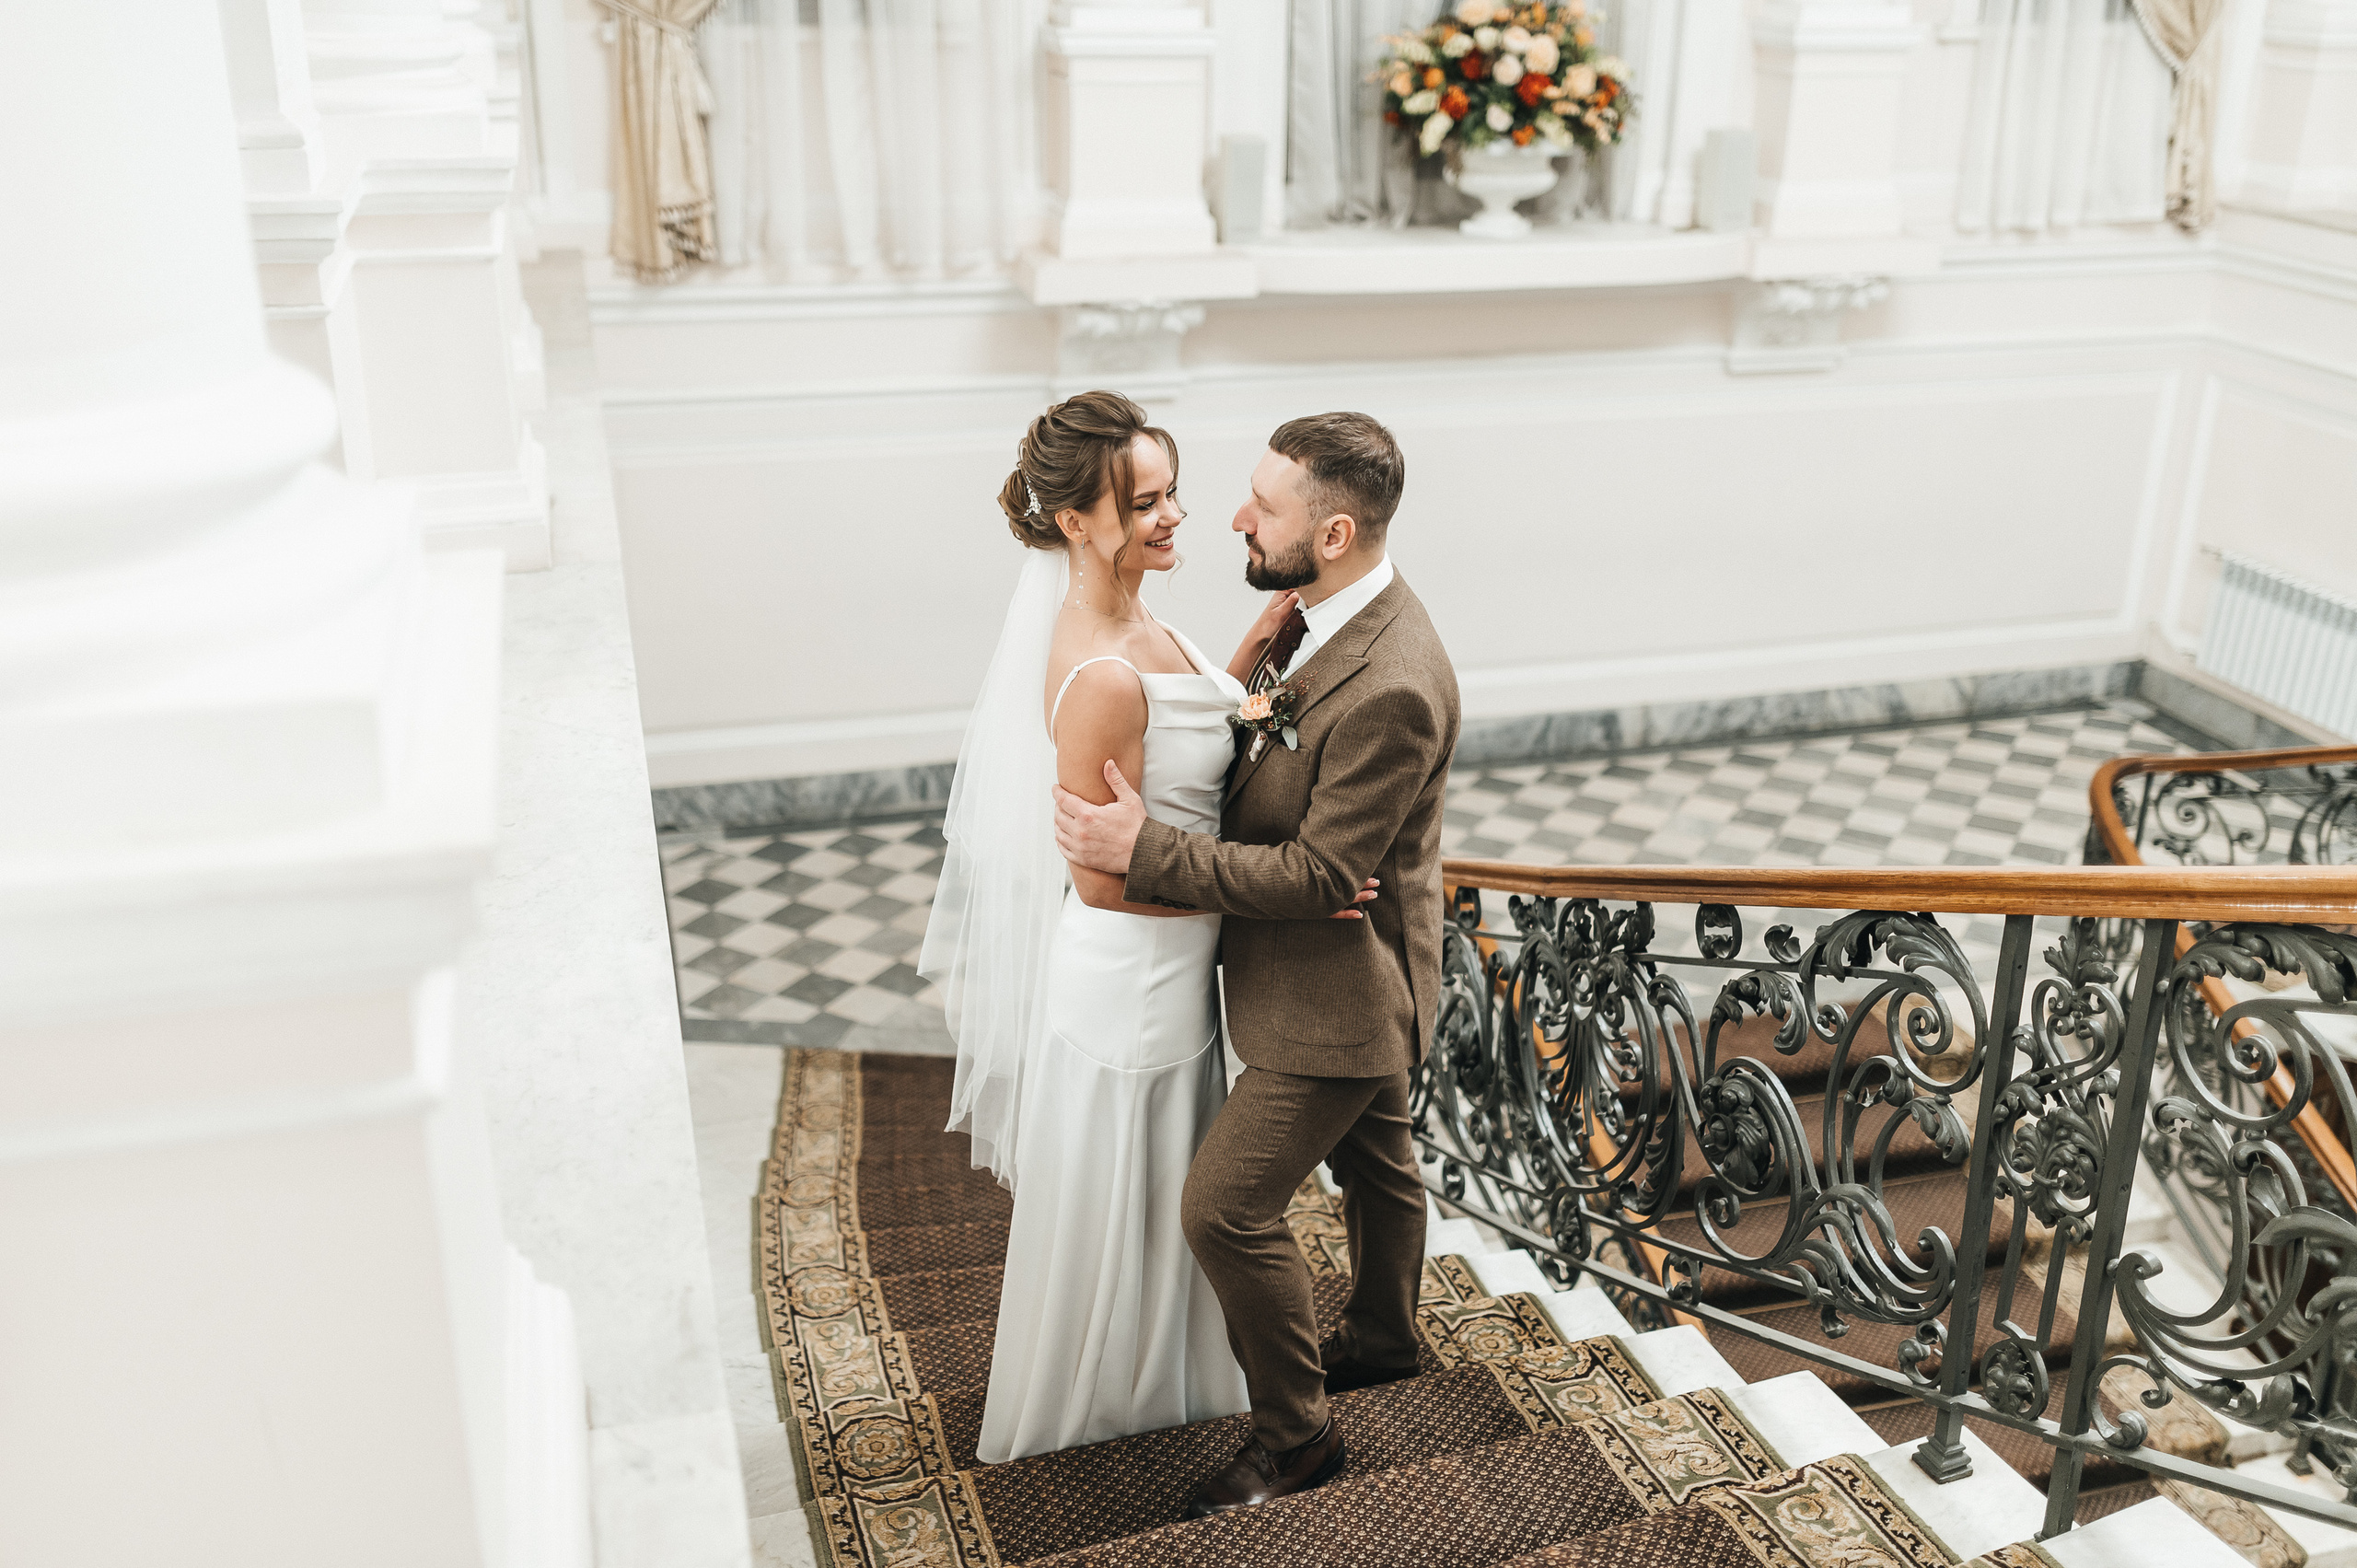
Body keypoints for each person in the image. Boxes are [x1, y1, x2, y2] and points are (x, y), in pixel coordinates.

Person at [918, 390, 1378, 1462]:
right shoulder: (1099, 676)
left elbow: (1168, 763)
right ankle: (1111, 1399)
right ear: (1076, 519)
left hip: (1173, 971)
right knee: (1129, 1188)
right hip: (1130, 979)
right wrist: (1284, 883)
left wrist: (1249, 651)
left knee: (1173, 1177)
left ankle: (1180, 1374)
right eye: (1145, 502)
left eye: (1173, 492)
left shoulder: (1142, 621)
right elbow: (1105, 881)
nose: (1173, 517)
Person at [1053, 411, 1459, 1517]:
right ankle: (1381, 1336)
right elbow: (1280, 768)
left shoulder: (1391, 678)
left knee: (1224, 1208)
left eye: (1262, 504)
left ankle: (1297, 1435)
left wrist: (1143, 848)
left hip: (1338, 992)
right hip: (1356, 961)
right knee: (1380, 1165)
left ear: (1331, 532)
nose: (1233, 515)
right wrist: (1239, 695)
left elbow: (1325, 875)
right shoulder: (1315, 619)